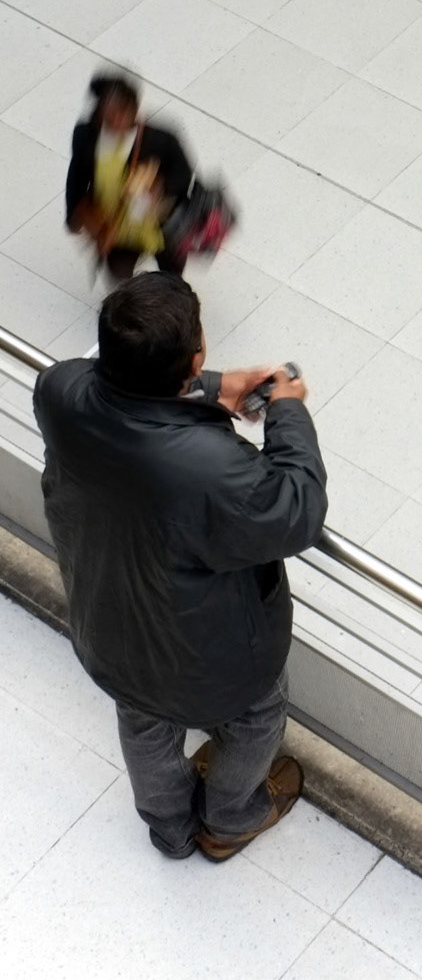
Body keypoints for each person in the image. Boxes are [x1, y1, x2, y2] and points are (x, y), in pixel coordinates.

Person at [33, 272, 328, 861]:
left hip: (109, 622)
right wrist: (286, 412)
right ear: (194, 355)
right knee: (257, 716)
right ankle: (228, 818)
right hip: (211, 654)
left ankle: (168, 827)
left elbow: (117, 393)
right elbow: (296, 510)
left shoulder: (58, 392)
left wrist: (210, 388)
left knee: (142, 721)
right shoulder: (212, 469)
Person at [65, 73, 194, 281]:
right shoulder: (86, 136)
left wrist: (160, 188)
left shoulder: (162, 140)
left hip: (159, 223)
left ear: (134, 111)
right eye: (108, 114)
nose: (115, 120)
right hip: (115, 224)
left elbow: (183, 174)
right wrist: (73, 215)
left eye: (120, 113)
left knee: (171, 275)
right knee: (118, 274)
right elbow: (77, 175)